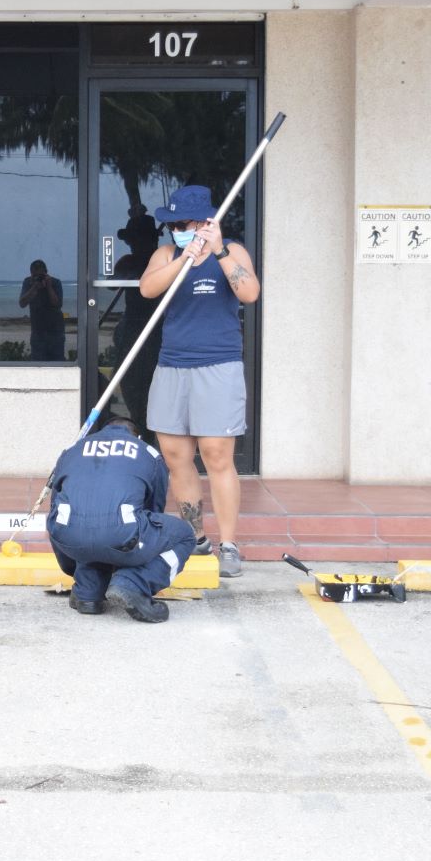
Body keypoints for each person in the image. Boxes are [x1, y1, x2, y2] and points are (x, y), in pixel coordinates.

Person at [138, 184, 260, 579]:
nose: (176, 228)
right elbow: (148, 288)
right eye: (172, 224)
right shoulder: (167, 253)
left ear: (206, 221)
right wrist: (184, 258)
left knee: (217, 455)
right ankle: (195, 537)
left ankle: (228, 544)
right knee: (176, 456)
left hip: (218, 367)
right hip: (172, 365)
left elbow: (250, 293)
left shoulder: (233, 251)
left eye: (184, 223)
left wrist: (219, 251)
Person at [44, 414, 197, 623]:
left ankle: (87, 591)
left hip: (69, 540)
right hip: (121, 536)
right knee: (184, 535)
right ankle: (134, 583)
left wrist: (74, 566)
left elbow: (56, 506)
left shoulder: (72, 450)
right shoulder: (148, 453)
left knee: (84, 520)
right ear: (138, 436)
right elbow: (153, 509)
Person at [111, 211, 162, 441]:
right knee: (130, 380)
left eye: (137, 238)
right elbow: (112, 285)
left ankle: (153, 431)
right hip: (132, 326)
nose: (133, 244)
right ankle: (138, 424)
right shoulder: (128, 261)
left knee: (154, 383)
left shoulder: (162, 259)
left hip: (159, 327)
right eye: (131, 239)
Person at [20, 259, 66, 361]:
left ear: (46, 273)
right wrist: (34, 288)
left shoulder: (55, 283)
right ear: (31, 274)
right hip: (38, 331)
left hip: (56, 331)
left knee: (57, 362)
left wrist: (49, 287)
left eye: (41, 276)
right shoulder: (28, 282)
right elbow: (22, 303)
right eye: (35, 276)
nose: (38, 278)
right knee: (38, 363)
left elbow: (58, 304)